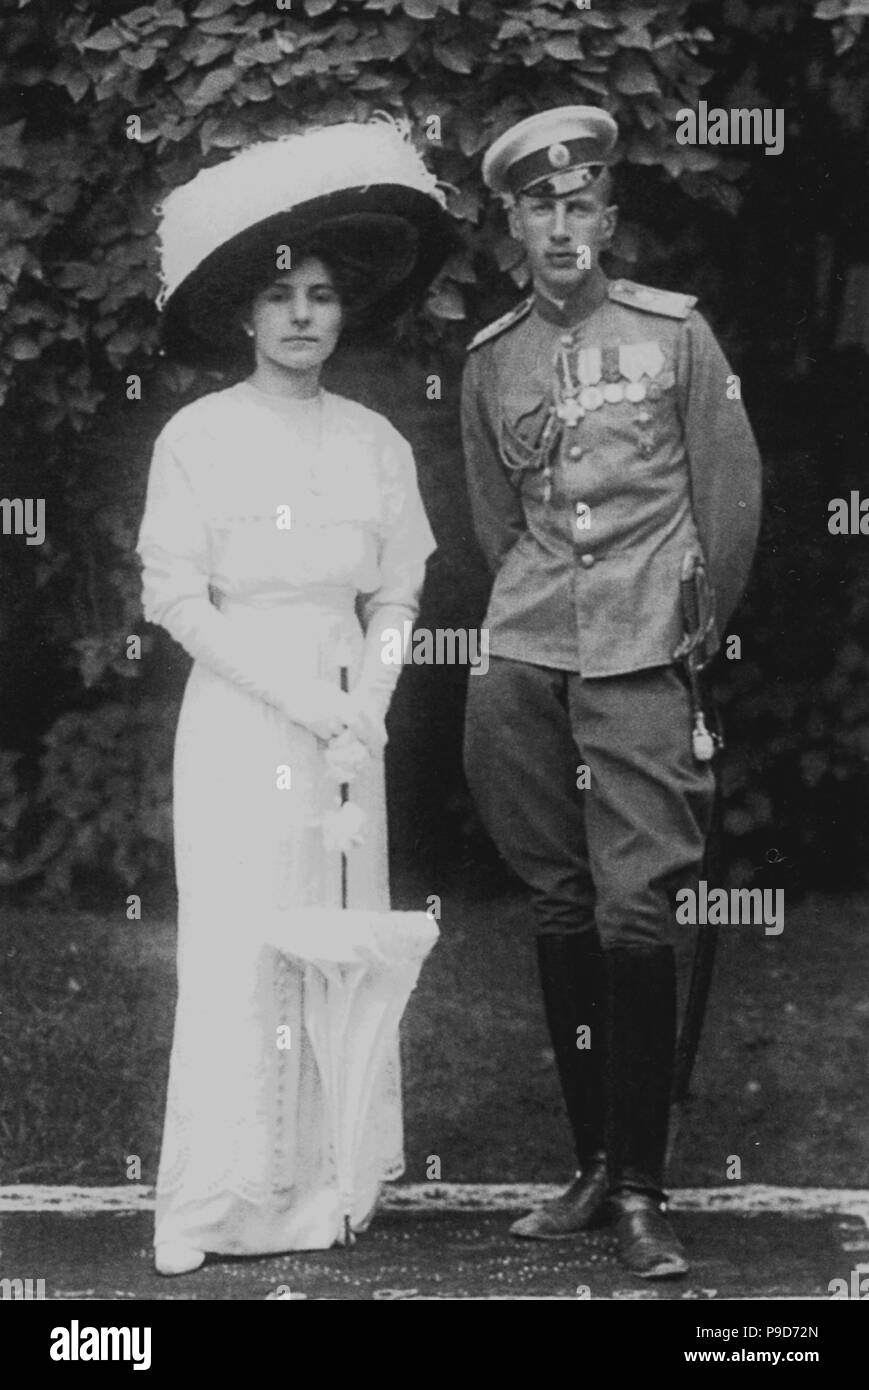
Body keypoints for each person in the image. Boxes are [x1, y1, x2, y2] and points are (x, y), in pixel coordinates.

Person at [137, 121, 453, 1275]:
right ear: (245, 317)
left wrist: (363, 698)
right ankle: (218, 1204)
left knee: (330, 946)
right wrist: (299, 700)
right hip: (237, 712)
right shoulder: (196, 436)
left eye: (322, 296)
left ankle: (324, 1188)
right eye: (281, 299)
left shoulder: (373, 443)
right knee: (235, 949)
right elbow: (176, 597)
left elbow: (399, 590)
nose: (303, 315)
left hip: (343, 727)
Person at [461, 107, 762, 1278]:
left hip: (642, 657)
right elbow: (497, 523)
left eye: (579, 203)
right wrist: (534, 626)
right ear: (513, 225)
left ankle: (642, 1186)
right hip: (530, 659)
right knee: (558, 906)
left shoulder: (675, 337)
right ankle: (590, 1166)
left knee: (637, 913)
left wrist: (686, 628)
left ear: (607, 218)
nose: (560, 226)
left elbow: (730, 501)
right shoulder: (492, 358)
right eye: (538, 206)